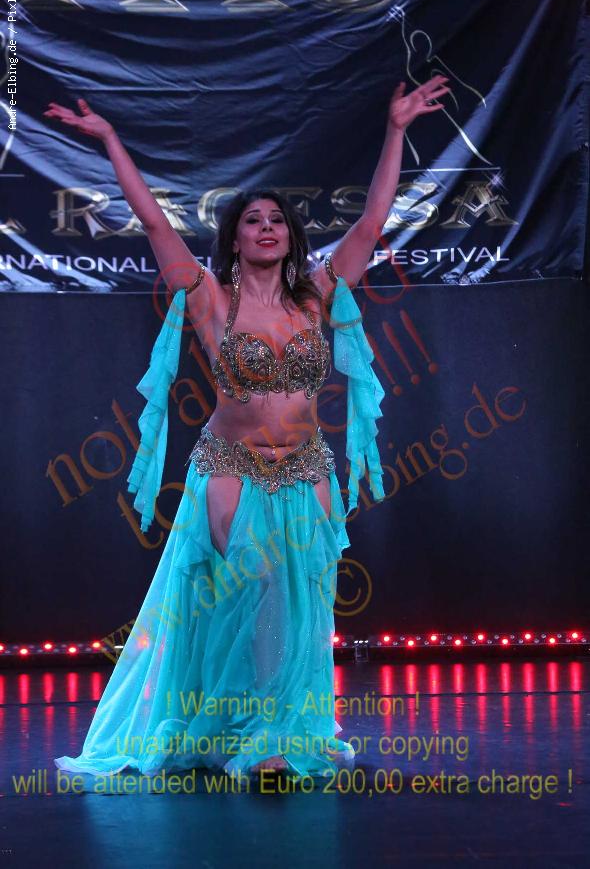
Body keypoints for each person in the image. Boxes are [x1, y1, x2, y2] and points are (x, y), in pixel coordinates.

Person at [44, 74, 450, 783]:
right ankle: (251, 731)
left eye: (278, 220)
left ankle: (282, 730)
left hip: (307, 467)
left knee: (302, 599)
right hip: (230, 464)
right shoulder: (211, 298)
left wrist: (395, 130)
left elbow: (371, 222)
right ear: (234, 237)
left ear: (291, 237)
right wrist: (109, 141)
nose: (267, 227)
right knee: (254, 583)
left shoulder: (317, 296)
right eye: (254, 219)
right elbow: (155, 224)